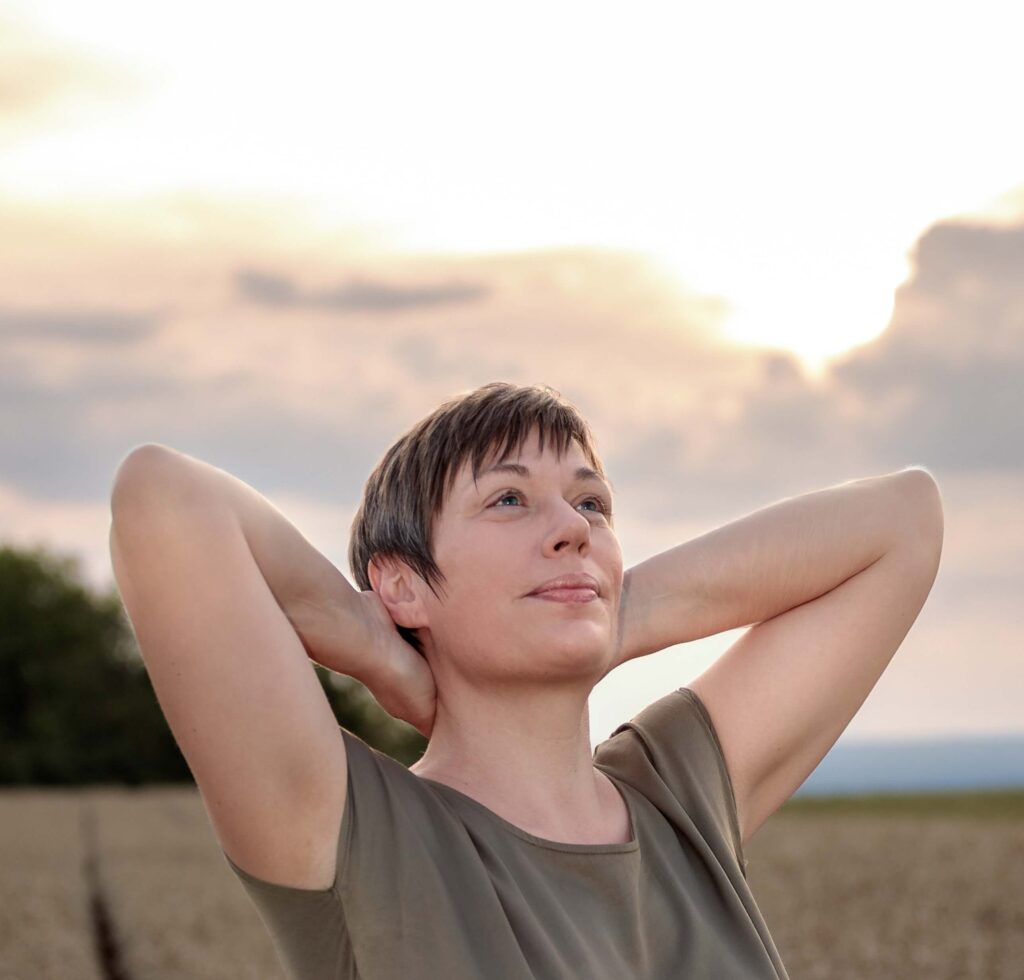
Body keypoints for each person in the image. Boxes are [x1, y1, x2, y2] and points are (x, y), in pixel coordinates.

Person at [108, 381, 943, 979]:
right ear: (400, 581)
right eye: (509, 500)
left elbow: (906, 516)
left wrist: (619, 615)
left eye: (592, 505)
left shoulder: (679, 798)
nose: (571, 530)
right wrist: (371, 641)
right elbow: (164, 499)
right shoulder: (355, 833)